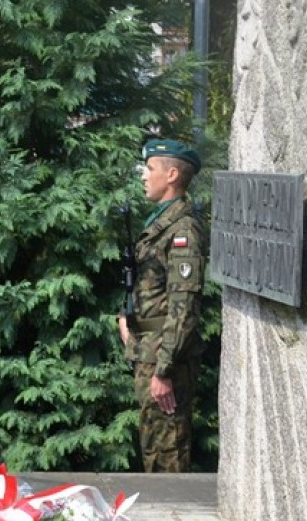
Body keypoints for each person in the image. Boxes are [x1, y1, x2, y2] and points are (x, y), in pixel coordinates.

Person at [117, 138, 205, 472]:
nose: (143, 175)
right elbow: (152, 285)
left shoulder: (183, 231)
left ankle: (175, 520)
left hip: (164, 359)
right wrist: (129, 318)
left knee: (168, 452)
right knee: (153, 446)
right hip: (148, 349)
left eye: (150, 168)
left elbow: (184, 307)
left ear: (171, 175)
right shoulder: (162, 222)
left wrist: (164, 369)